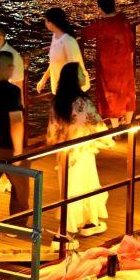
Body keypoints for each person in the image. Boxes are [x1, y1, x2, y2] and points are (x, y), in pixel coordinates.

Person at [47, 62, 109, 236]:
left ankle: (87, 223)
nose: (85, 75)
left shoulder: (57, 102)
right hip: (82, 153)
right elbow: (99, 126)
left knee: (70, 188)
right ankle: (63, 234)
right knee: (84, 187)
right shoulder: (83, 102)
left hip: (64, 154)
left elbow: (51, 133)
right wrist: (107, 141)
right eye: (82, 73)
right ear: (75, 78)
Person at [80, 0, 135, 127]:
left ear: (100, 9)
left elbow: (85, 33)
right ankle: (128, 124)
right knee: (127, 93)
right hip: (125, 64)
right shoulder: (123, 19)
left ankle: (115, 128)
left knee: (111, 96)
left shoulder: (101, 25)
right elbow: (131, 41)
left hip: (108, 69)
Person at [0, 49, 26, 231]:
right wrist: (18, 150)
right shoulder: (12, 91)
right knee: (20, 187)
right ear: (6, 68)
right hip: (7, 147)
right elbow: (16, 121)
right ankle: (17, 224)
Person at [36, 9, 89, 98]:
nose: (45, 23)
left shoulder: (68, 41)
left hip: (70, 91)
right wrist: (44, 78)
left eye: (46, 20)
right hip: (61, 88)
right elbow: (54, 61)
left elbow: (75, 67)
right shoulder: (55, 37)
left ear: (51, 23)